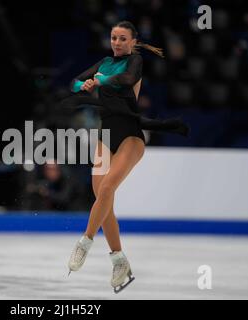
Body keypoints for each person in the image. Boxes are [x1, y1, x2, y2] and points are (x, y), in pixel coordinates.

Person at [64, 21, 189, 293]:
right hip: (105, 138)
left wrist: (101, 80)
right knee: (103, 200)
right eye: (113, 38)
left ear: (133, 42)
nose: (117, 42)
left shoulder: (134, 62)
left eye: (122, 38)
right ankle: (120, 260)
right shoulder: (104, 62)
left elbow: (126, 81)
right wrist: (83, 84)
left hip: (131, 137)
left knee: (107, 188)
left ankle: (84, 243)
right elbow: (72, 84)